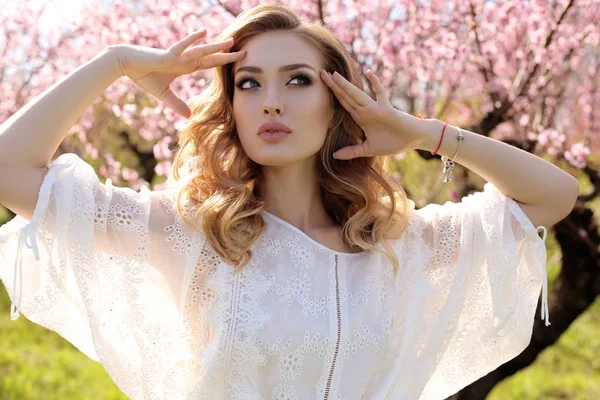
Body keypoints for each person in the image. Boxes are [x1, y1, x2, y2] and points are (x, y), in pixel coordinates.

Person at [0, 3, 578, 400]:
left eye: (297, 80)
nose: (270, 102)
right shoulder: (187, 231)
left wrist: (427, 133)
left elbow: (555, 195)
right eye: (249, 83)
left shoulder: (398, 243)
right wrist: (117, 63)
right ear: (233, 107)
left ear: (339, 101)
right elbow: (9, 170)